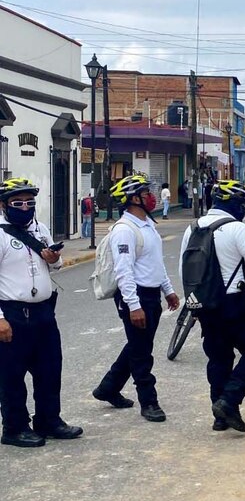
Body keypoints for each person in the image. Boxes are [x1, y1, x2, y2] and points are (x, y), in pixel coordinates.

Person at [180, 180, 245, 433]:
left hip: (205, 302)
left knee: (219, 358)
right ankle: (229, 400)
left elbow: (183, 269)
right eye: (242, 203)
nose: (244, 209)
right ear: (232, 204)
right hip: (234, 302)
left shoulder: (193, 228)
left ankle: (220, 415)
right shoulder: (237, 228)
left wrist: (194, 302)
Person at [0, 178, 82, 447]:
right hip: (12, 313)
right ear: (4, 206)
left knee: (49, 369)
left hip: (44, 312)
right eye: (17, 203)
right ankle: (14, 427)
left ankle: (49, 420)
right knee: (12, 375)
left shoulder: (41, 229)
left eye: (30, 202)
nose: (25, 207)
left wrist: (54, 259)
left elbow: (56, 266)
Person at [92, 175, 179, 423]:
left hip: (151, 294)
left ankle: (108, 388)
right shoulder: (124, 230)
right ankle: (149, 402)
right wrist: (134, 306)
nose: (151, 196)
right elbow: (124, 271)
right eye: (145, 193)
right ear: (133, 199)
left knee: (136, 345)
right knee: (142, 352)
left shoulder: (148, 225)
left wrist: (168, 289)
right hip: (135, 296)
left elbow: (156, 263)